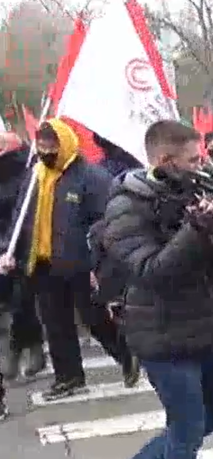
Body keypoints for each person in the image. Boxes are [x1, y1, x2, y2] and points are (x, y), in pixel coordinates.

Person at [97, 120, 213, 459]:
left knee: (210, 417)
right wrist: (196, 230)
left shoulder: (190, 191)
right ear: (165, 160)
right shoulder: (125, 206)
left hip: (204, 321)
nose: (203, 167)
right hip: (160, 329)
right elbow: (152, 271)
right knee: (187, 421)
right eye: (194, 160)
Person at [0, 118, 137, 400]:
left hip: (81, 263)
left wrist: (100, 262)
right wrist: (9, 249)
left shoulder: (91, 177)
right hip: (42, 263)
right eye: (41, 145)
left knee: (94, 317)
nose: (46, 151)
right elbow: (20, 218)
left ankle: (126, 354)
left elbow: (106, 223)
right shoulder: (34, 176)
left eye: (51, 145)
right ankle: (69, 377)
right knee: (55, 322)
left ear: (65, 144)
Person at [0, 132, 45, 381]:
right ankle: (13, 349)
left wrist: (10, 247)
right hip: (3, 246)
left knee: (21, 301)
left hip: (22, 245)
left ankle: (26, 349)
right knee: (6, 302)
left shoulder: (27, 171)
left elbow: (24, 213)